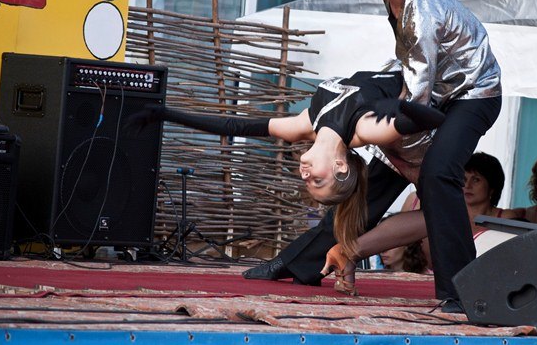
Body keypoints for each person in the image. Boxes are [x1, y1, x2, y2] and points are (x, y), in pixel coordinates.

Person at [246, 0, 502, 313]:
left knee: (437, 175)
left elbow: (417, 99)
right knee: (377, 174)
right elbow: (410, 75)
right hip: (433, 93)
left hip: (473, 95)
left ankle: (461, 291)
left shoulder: (422, 14)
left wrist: (397, 143)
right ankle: (301, 262)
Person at [126, 69, 444, 260]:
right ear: (340, 166)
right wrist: (400, 106)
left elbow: (235, 126)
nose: (305, 176)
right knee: (441, 211)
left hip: (415, 66)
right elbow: (431, 118)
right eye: (317, 181)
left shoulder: (304, 125)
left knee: (441, 213)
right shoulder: (367, 130)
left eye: (309, 183)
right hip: (437, 80)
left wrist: (165, 114)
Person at [321, 152, 507, 296]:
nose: (467, 185)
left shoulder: (504, 217)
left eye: (476, 180)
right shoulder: (418, 201)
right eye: (464, 179)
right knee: (439, 212)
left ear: (492, 187)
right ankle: (347, 251)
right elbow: (402, 245)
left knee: (438, 212)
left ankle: (347, 251)